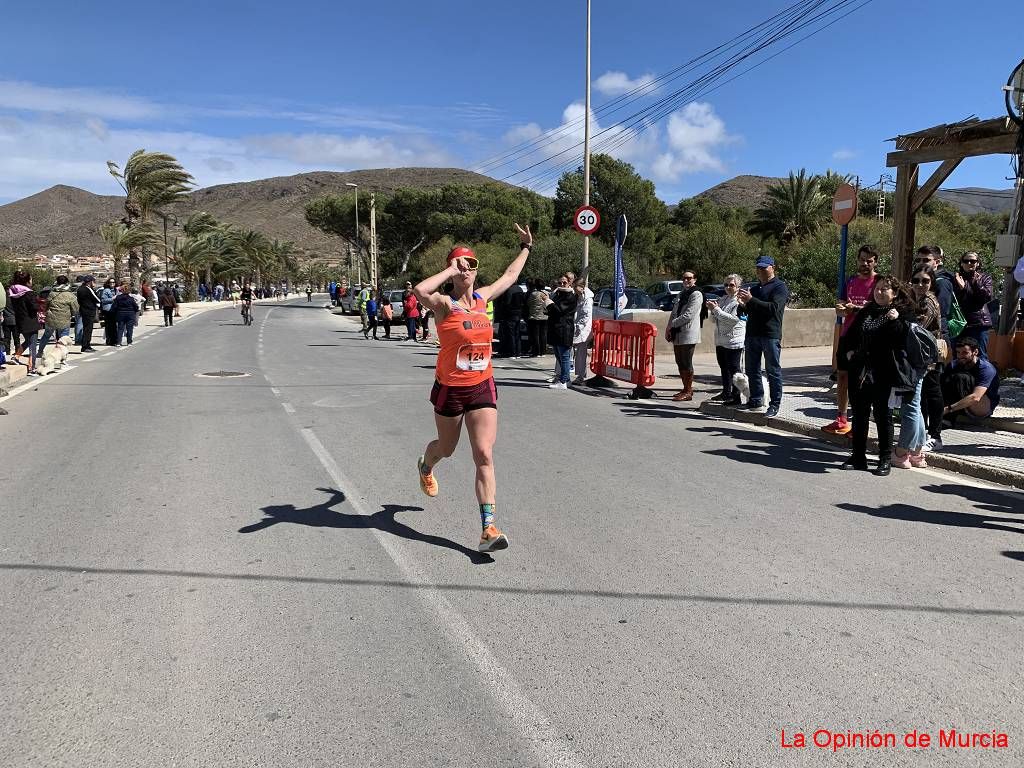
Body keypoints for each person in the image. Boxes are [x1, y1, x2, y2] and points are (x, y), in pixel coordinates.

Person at [413, 225, 533, 553]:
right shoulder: (443, 305)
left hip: (481, 386)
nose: (467, 269)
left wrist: (526, 248)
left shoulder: (481, 299)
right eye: (459, 265)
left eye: (471, 264)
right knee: (447, 449)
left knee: (484, 454)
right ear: (452, 272)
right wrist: (451, 269)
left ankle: (488, 529)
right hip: (450, 389)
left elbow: (509, 276)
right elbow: (421, 291)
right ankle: (426, 465)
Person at [839, 275, 916, 476]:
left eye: (885, 289)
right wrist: (849, 353)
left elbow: (900, 339)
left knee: (883, 416)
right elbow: (850, 336)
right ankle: (858, 457)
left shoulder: (901, 314)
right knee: (860, 414)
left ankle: (885, 460)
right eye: (877, 289)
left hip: (884, 372)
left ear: (895, 293)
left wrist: (895, 320)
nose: (879, 292)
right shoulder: (866, 311)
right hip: (861, 371)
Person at [823, 246, 879, 434]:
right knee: (842, 376)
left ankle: (860, 423)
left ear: (875, 262)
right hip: (847, 334)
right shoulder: (851, 281)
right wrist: (840, 307)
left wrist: (854, 308)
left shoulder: (879, 282)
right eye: (862, 259)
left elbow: (879, 309)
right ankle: (841, 418)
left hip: (867, 338)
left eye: (869, 260)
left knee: (860, 381)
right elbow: (841, 303)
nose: (865, 264)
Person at [892, 270, 941, 469]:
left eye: (925, 281)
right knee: (916, 405)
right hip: (919, 359)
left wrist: (897, 318)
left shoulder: (927, 302)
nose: (920, 284)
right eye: (916, 280)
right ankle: (917, 453)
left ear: (932, 282)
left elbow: (915, 327)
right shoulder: (917, 300)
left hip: (918, 359)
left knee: (910, 406)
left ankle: (902, 451)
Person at [737, 255, 789, 417]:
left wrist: (751, 301)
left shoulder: (779, 287)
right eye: (758, 268)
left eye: (764, 268)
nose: (760, 271)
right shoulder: (756, 288)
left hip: (770, 335)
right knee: (752, 370)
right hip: (753, 334)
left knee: (772, 370)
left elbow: (773, 308)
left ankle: (774, 404)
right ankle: (756, 399)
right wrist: (742, 306)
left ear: (773, 267)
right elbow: (750, 310)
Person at [706, 273, 746, 404]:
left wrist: (716, 310)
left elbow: (733, 320)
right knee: (723, 367)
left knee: (734, 369)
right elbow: (713, 319)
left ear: (738, 287)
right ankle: (726, 392)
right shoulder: (723, 299)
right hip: (721, 340)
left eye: (732, 285)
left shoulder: (739, 301)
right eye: (726, 285)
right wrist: (713, 310)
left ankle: (736, 396)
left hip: (733, 340)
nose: (728, 287)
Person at [941, 337, 1000, 425]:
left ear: (975, 352)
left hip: (981, 406)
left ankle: (948, 418)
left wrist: (947, 409)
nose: (960, 356)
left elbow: (976, 397)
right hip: (962, 403)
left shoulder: (986, 369)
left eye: (965, 353)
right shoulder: (954, 364)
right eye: (958, 352)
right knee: (941, 377)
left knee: (961, 378)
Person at [665, 270, 703, 401]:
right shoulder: (682, 294)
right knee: (679, 361)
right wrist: (668, 327)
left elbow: (689, 315)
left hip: (688, 333)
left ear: (695, 279)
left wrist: (673, 324)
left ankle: (688, 390)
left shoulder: (696, 294)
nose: (686, 280)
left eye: (689, 278)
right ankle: (685, 388)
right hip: (677, 333)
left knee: (686, 362)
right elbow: (674, 312)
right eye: (684, 278)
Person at [952, 251, 993, 358]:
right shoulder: (956, 278)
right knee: (958, 355)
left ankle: (983, 375)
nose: (969, 263)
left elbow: (985, 298)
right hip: (959, 323)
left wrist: (969, 286)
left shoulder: (984, 278)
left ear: (978, 263)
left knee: (980, 355)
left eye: (973, 261)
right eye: (966, 261)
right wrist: (962, 289)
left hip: (978, 323)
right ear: (961, 263)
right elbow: (956, 300)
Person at [544, 273, 578, 390]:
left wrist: (548, 303)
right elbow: (553, 310)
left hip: (564, 329)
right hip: (556, 328)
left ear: (570, 283)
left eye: (564, 282)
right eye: (560, 282)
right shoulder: (558, 294)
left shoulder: (570, 296)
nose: (562, 284)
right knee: (559, 355)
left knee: (564, 356)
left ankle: (563, 381)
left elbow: (559, 310)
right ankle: (566, 379)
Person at [8, 271, 41, 375]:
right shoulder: (29, 293)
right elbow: (34, 307)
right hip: (30, 321)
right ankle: (32, 367)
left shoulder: (12, 292)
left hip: (20, 321)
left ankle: (16, 356)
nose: (31, 281)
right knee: (33, 345)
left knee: (27, 341)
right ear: (26, 281)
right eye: (30, 279)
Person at [38, 275, 78, 358]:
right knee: (63, 339)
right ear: (67, 283)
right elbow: (75, 309)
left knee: (46, 336)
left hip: (51, 319)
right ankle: (62, 356)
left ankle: (40, 352)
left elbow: (46, 305)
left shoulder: (52, 294)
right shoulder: (70, 295)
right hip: (64, 320)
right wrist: (72, 314)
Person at [571, 277, 594, 386]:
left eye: (576, 287)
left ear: (582, 287)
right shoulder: (579, 297)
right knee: (578, 353)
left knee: (581, 353)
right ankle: (579, 375)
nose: (574, 289)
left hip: (583, 329)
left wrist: (577, 325)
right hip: (577, 327)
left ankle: (581, 376)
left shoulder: (587, 299)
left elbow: (586, 315)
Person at [76, 275, 100, 352]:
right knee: (88, 329)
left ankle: (87, 345)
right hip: (89, 311)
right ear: (90, 282)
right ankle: (85, 346)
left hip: (83, 310)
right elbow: (97, 299)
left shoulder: (80, 289)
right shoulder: (88, 289)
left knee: (86, 329)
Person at [527, 278, 549, 357]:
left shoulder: (533, 294)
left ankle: (536, 351)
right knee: (543, 334)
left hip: (535, 317)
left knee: (536, 335)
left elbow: (528, 303)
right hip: (545, 316)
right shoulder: (546, 293)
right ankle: (543, 352)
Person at [99, 278, 117, 345]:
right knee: (109, 326)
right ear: (108, 283)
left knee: (114, 326)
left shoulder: (116, 290)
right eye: (111, 282)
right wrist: (112, 299)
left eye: (113, 282)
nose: (112, 283)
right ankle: (109, 341)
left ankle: (114, 340)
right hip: (108, 310)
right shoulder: (106, 290)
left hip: (114, 310)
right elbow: (103, 300)